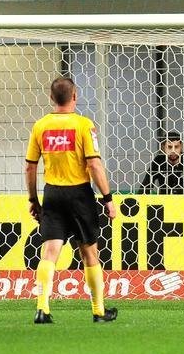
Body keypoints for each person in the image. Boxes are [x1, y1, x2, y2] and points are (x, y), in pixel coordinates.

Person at [25, 76, 118, 324]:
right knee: (89, 252)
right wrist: (108, 198)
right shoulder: (84, 125)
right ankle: (98, 310)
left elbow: (30, 168)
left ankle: (42, 308)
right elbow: (94, 164)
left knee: (50, 251)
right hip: (79, 194)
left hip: (53, 193)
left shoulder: (40, 126)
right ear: (75, 96)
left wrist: (34, 199)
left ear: (51, 98)